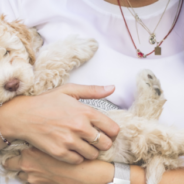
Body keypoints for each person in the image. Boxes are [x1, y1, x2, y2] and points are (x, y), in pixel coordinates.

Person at [0, 0, 184, 183]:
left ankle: (158, 138)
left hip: (114, 147)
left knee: (122, 130)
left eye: (7, 54)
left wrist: (114, 177)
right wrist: (11, 120)